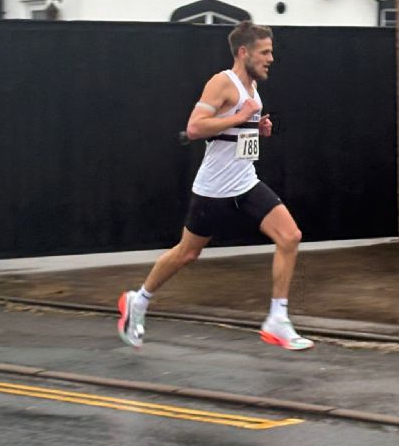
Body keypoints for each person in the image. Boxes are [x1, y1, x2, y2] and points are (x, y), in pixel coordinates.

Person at [118, 21, 313, 351]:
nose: (271, 58)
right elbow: (194, 128)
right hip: (214, 190)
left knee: (290, 236)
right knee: (187, 252)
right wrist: (240, 118)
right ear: (243, 52)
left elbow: (234, 132)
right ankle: (138, 300)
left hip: (245, 183)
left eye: (271, 51)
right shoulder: (223, 82)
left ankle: (277, 320)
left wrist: (257, 127)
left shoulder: (253, 89)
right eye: (264, 52)